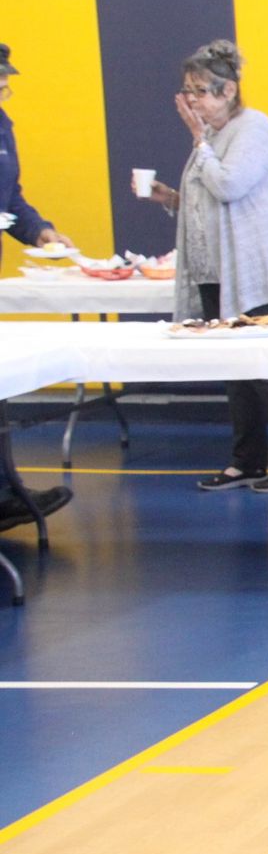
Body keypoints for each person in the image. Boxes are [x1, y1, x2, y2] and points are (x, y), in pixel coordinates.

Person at [135, 40, 268, 493]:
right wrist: (172, 198)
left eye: (200, 90)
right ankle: (248, 460)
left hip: (249, 267)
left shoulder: (252, 128)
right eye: (187, 89)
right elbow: (210, 201)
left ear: (229, 91)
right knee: (236, 368)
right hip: (216, 268)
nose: (191, 99)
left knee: (265, 366)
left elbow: (231, 187)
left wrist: (198, 141)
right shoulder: (216, 136)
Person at [0, 41, 75, 531]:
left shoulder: (3, 124)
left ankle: (6, 495)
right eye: (0, 76)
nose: (7, 84)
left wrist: (39, 229)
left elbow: (12, 198)